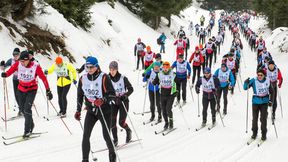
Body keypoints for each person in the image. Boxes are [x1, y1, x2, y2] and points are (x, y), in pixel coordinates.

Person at [1, 51, 53, 137]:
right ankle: (31, 124)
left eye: (24, 61)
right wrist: (5, 74)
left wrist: (48, 90)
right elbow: (10, 71)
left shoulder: (35, 66)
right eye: (21, 61)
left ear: (28, 59)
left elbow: (43, 78)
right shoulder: (18, 64)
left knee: (27, 109)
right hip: (21, 89)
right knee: (22, 109)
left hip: (31, 90)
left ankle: (27, 130)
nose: (22, 63)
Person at [74, 56, 116, 162]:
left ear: (97, 66)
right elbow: (80, 95)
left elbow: (112, 94)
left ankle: (112, 156)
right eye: (87, 67)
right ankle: (85, 159)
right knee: (86, 135)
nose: (89, 69)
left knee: (106, 135)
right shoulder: (83, 79)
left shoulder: (104, 77)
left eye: (91, 67)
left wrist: (103, 100)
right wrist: (78, 110)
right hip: (91, 110)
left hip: (104, 110)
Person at [243, 69, 273, 141]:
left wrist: (270, 100)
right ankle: (254, 133)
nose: (259, 76)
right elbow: (245, 88)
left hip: (264, 102)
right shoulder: (254, 80)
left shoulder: (268, 81)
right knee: (254, 119)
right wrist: (245, 82)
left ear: (264, 75)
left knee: (263, 119)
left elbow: (272, 91)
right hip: (255, 102)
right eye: (258, 75)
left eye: (261, 75)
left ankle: (264, 134)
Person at [109, 61, 134, 146]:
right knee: (112, 122)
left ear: (117, 69)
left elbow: (131, 89)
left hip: (123, 102)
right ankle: (115, 140)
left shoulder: (123, 78)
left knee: (121, 122)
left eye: (114, 69)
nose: (112, 71)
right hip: (113, 102)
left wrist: (125, 95)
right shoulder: (107, 78)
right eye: (110, 69)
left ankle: (128, 131)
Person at [152, 61, 177, 129]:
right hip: (162, 93)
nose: (165, 69)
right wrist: (154, 82)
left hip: (170, 94)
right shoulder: (159, 74)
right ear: (162, 68)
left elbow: (177, 83)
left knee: (168, 108)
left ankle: (171, 122)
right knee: (163, 109)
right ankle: (166, 122)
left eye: (167, 67)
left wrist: (176, 91)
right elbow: (156, 81)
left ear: (169, 68)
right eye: (164, 67)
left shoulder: (173, 74)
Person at [0, 48, 21, 115]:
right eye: (14, 55)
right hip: (15, 79)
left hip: (22, 80)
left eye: (16, 54)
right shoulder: (11, 60)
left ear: (19, 54)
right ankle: (21, 109)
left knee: (21, 94)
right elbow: (3, 68)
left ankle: (25, 108)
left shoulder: (23, 60)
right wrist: (2, 65)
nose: (15, 56)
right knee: (16, 95)